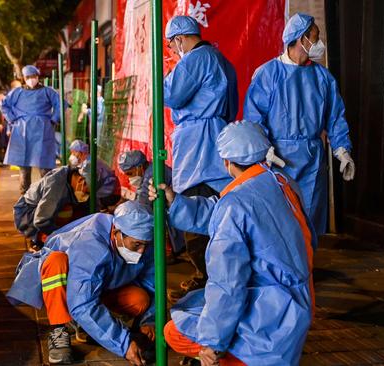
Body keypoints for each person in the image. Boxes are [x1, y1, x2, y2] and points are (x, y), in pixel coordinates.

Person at [149, 121, 314, 366]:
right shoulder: (284, 182)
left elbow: (228, 284)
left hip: (269, 320)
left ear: (226, 162)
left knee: (175, 330)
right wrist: (175, 201)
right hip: (297, 305)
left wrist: (212, 343)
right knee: (195, 302)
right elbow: (221, 210)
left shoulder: (235, 204)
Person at [243, 13, 355, 235]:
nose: (319, 43)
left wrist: (343, 152)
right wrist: (264, 150)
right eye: (315, 37)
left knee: (309, 219)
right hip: (277, 159)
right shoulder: (268, 74)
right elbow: (254, 118)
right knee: (279, 221)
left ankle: (307, 268)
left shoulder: (323, 78)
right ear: (301, 39)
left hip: (312, 159)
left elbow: (335, 117)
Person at [7, 201, 156, 365]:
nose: (141, 251)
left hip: (97, 286)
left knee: (140, 299)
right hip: (64, 284)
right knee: (56, 262)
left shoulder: (142, 241)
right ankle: (59, 330)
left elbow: (152, 285)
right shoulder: (90, 243)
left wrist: (148, 322)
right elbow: (81, 303)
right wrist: (124, 343)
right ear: (116, 232)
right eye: (136, 245)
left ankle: (88, 325)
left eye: (145, 245)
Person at [163, 15, 239, 298]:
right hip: (218, 136)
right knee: (216, 206)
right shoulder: (221, 59)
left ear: (179, 39)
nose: (172, 51)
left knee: (192, 208)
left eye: (171, 46)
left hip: (197, 144)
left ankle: (206, 277)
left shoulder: (195, 59)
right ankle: (214, 274)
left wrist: (166, 75)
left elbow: (169, 95)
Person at [1, 65, 61, 194]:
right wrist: (12, 119)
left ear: (37, 76)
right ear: (24, 78)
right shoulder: (17, 92)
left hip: (43, 130)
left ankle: (46, 196)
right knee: (24, 168)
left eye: (33, 77)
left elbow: (59, 104)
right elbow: (4, 105)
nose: (31, 79)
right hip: (22, 131)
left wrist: (53, 119)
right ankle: (25, 197)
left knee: (45, 168)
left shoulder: (48, 91)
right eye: (28, 77)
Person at [118, 150, 185, 254]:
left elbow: (142, 206)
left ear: (139, 167)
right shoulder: (149, 171)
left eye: (130, 173)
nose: (129, 178)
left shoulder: (153, 174)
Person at [13, 165, 90, 252]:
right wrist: (61, 234)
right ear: (80, 180)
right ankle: (38, 240)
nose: (86, 195)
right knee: (66, 213)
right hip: (27, 216)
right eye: (86, 192)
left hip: (40, 212)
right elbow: (41, 221)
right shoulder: (56, 188)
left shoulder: (69, 174)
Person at [68, 139, 121, 209]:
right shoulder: (88, 161)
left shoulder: (89, 165)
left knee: (82, 204)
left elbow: (90, 187)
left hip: (109, 195)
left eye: (74, 153)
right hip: (109, 191)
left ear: (82, 153)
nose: (72, 156)